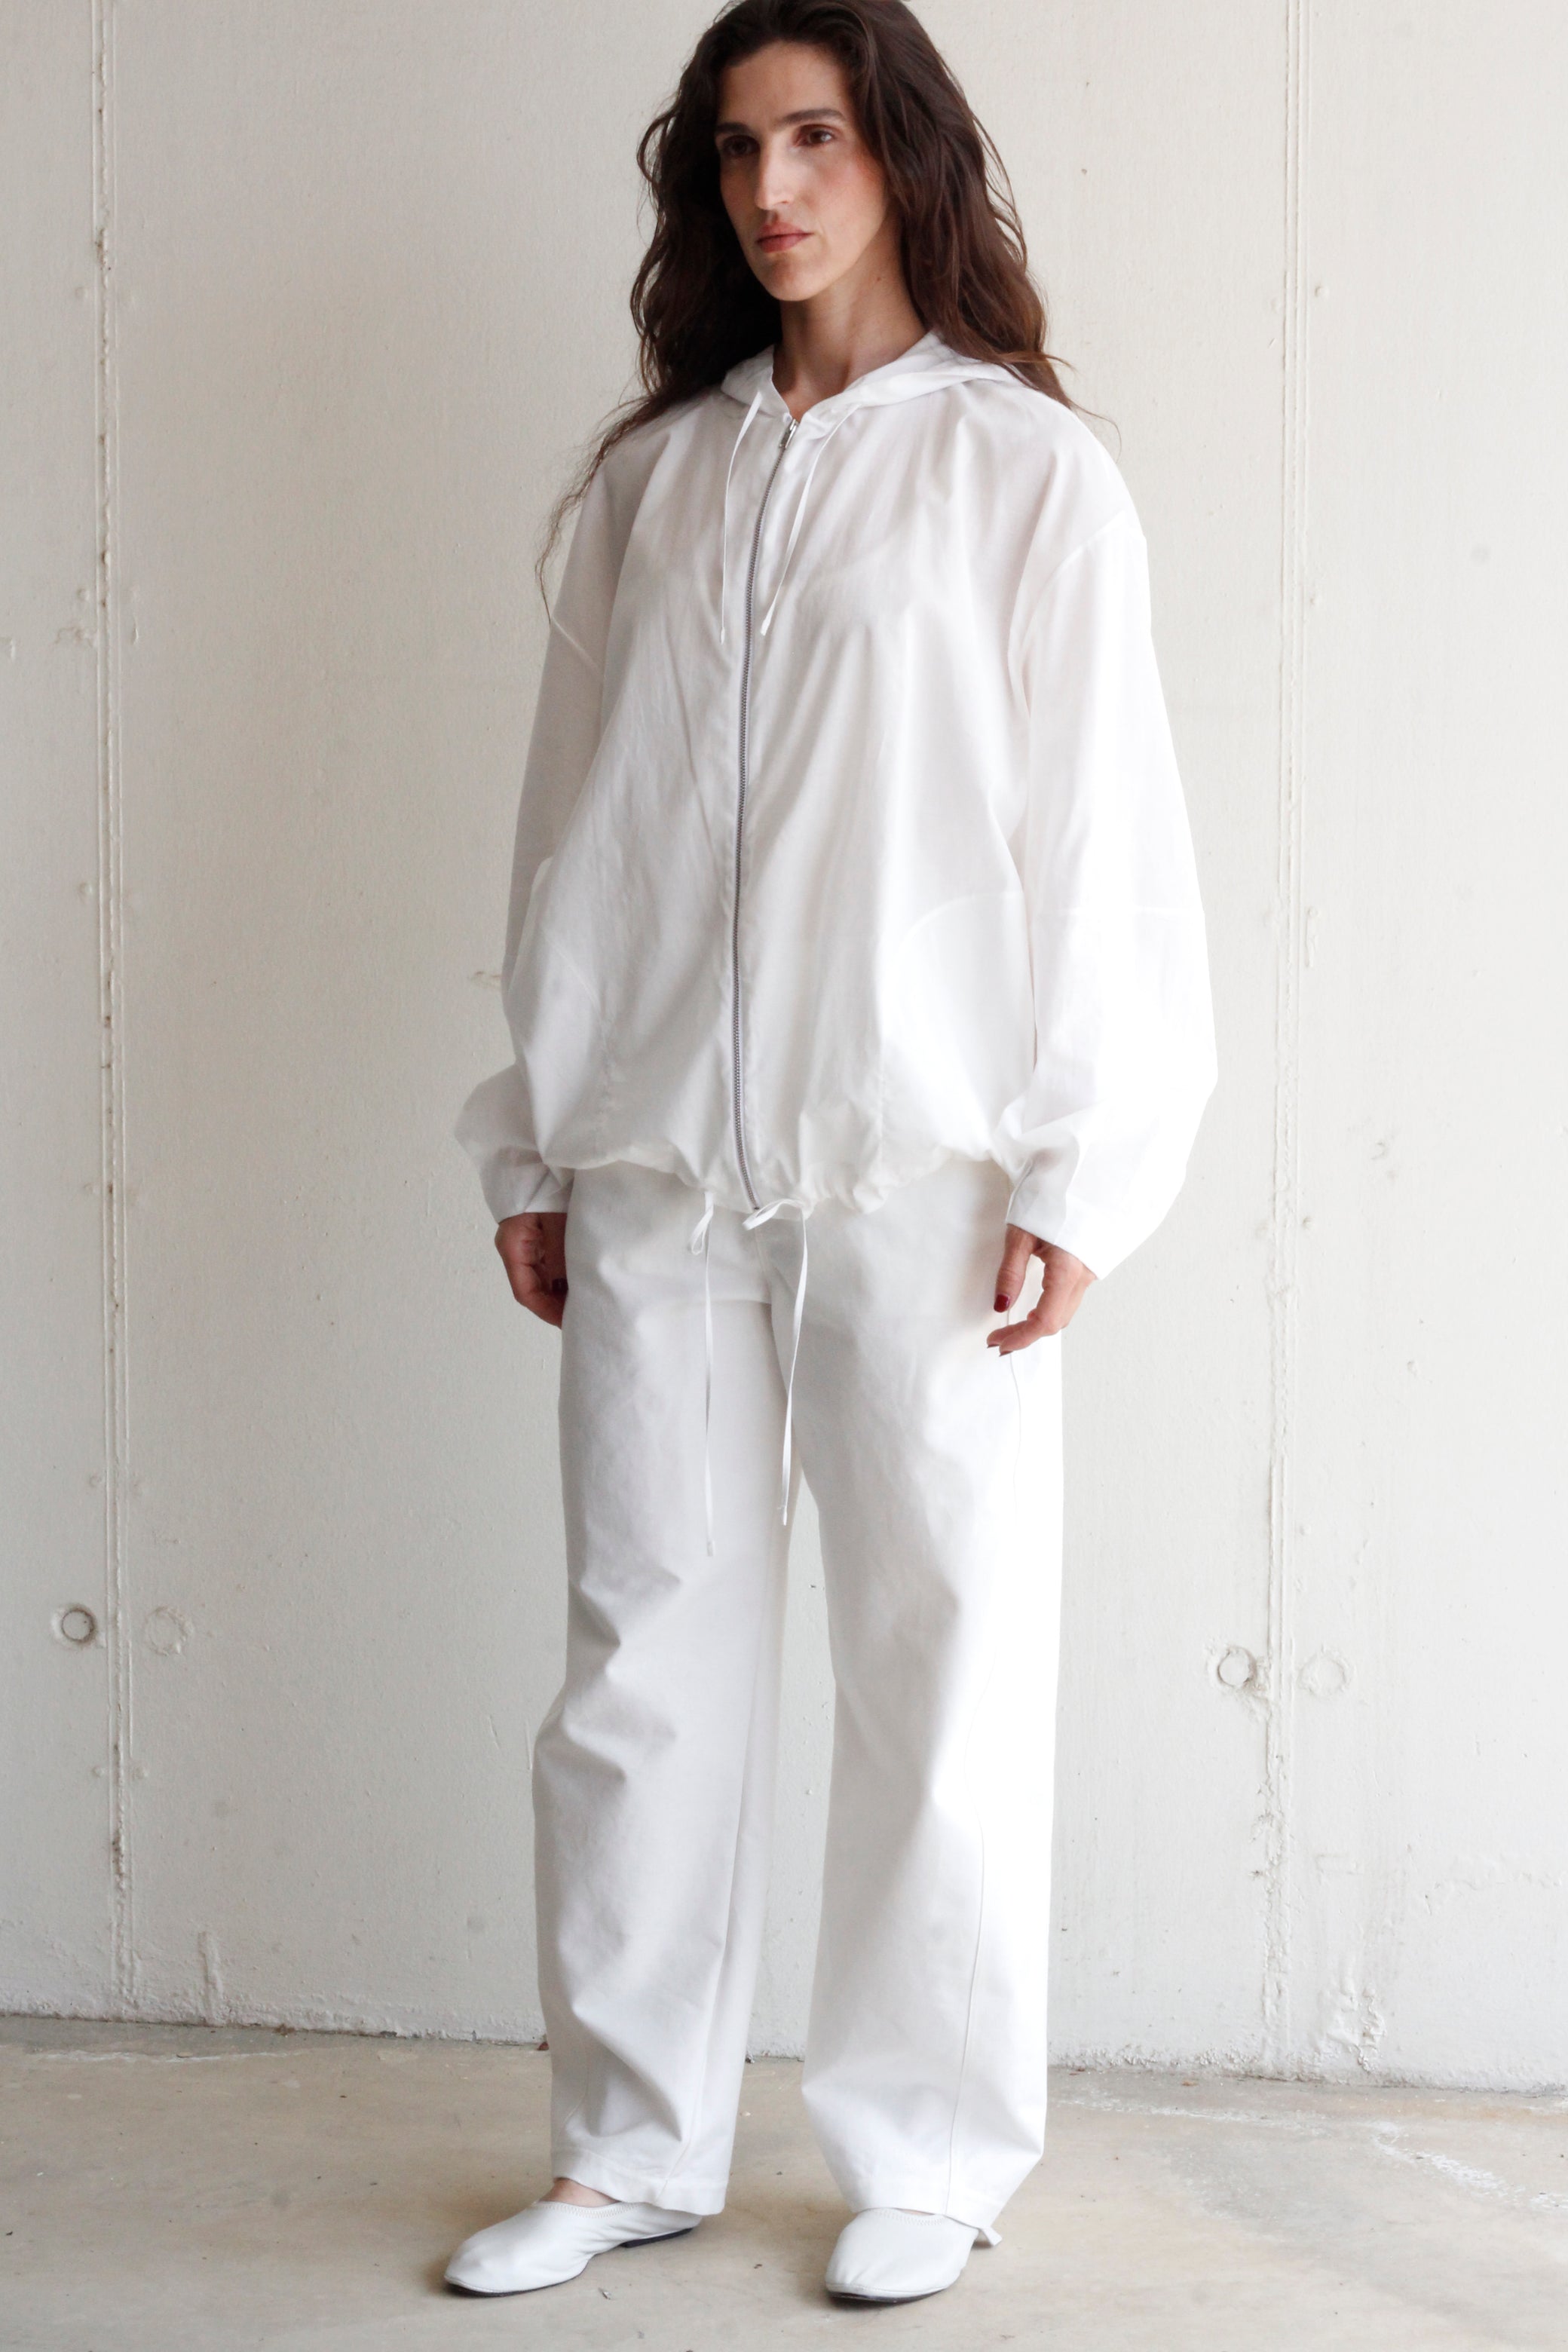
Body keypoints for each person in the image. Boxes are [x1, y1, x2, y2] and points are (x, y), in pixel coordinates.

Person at [446, 0, 1215, 2309]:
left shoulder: (1024, 474)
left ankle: (931, 2154)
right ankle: (627, 2147)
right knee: (638, 1668)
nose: (772, 192)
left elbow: (1106, 844)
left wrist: (1086, 1167)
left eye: (816, 140)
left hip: (926, 1165)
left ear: (904, 158)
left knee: (936, 1658)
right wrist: (536, 1134)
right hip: (663, 1161)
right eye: (734, 150)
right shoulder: (656, 483)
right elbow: (572, 829)